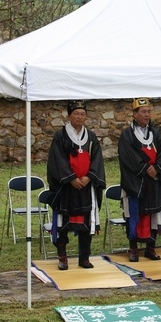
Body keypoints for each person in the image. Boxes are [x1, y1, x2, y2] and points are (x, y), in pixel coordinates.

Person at [46, 100, 106, 270]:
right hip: (66, 187)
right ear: (69, 115)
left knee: (86, 222)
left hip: (86, 187)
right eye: (76, 114)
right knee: (62, 222)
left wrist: (88, 177)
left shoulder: (91, 137)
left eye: (82, 114)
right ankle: (63, 257)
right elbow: (57, 160)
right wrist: (71, 178)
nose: (80, 117)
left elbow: (97, 159)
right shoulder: (61, 136)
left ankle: (84, 258)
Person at [118, 98, 161, 262]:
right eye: (143, 112)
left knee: (153, 213)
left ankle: (150, 248)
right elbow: (127, 156)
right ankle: (133, 248)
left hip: (153, 180)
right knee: (134, 213)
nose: (147, 115)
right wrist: (145, 168)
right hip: (136, 181)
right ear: (135, 114)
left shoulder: (155, 133)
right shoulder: (127, 134)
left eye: (149, 111)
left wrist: (157, 169)